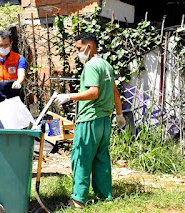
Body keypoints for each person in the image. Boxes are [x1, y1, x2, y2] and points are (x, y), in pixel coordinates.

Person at [54, 32, 126, 208]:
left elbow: (93, 92)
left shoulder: (91, 66)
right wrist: (119, 114)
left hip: (89, 121)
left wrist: (69, 97)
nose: (77, 53)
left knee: (81, 158)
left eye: (79, 49)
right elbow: (115, 92)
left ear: (89, 46)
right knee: (101, 158)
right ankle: (104, 196)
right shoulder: (106, 65)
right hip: (104, 121)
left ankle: (78, 200)